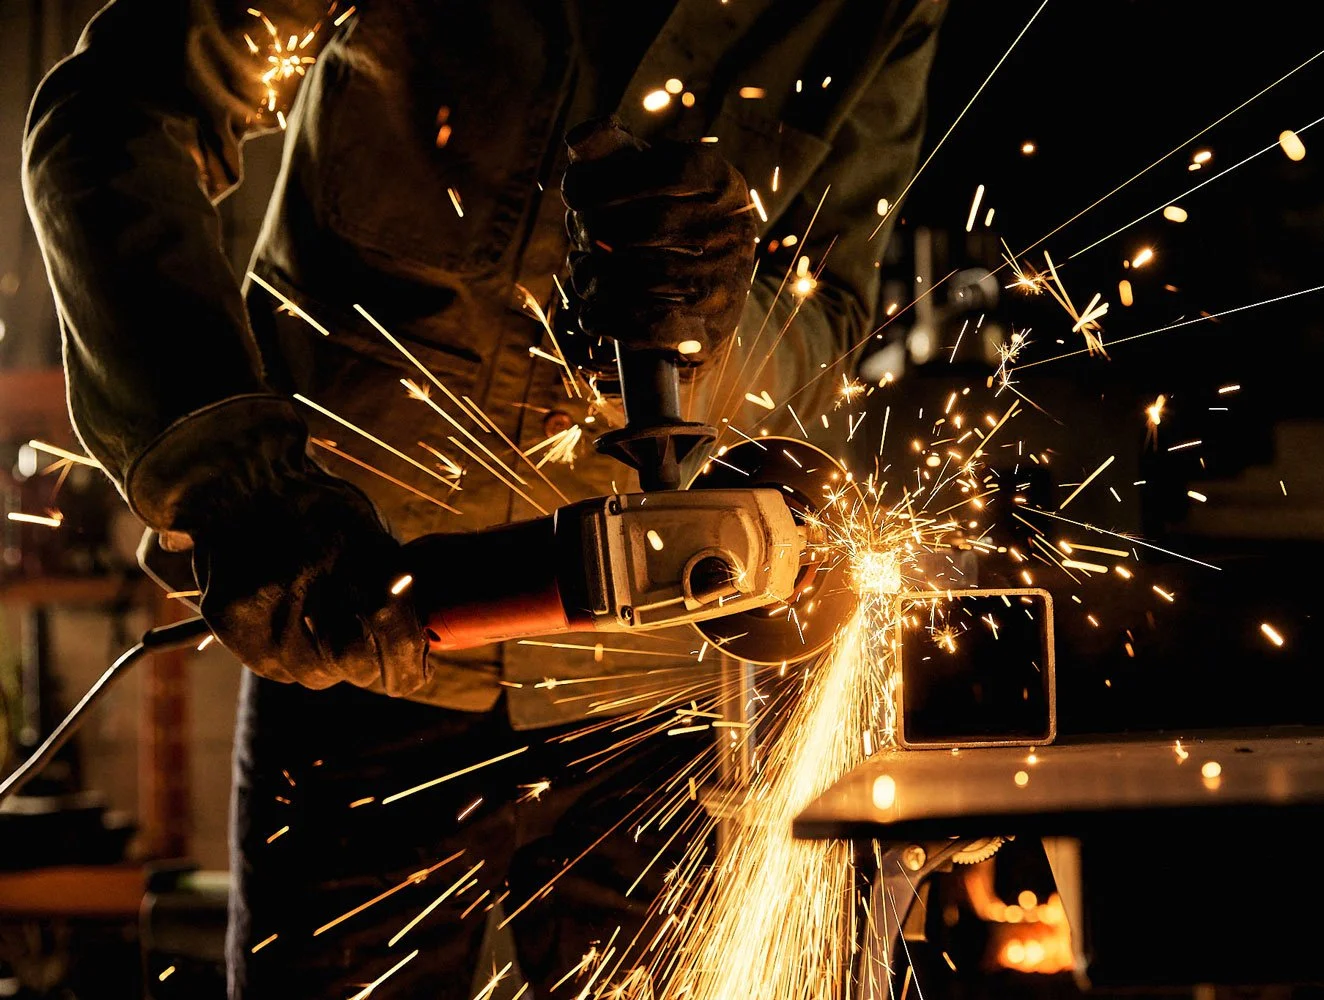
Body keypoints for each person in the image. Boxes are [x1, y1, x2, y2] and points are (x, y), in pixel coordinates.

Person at [23, 1, 946, 996]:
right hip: (357, 629)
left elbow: (832, 309)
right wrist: (230, 475)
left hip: (645, 698)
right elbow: (115, 114)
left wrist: (710, 332)